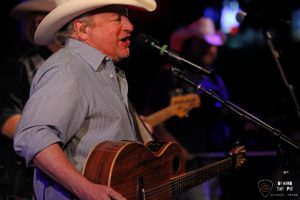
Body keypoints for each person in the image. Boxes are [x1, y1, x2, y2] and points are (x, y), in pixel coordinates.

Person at [13, 0, 157, 199]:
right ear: (82, 29)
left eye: (127, 18)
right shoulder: (68, 67)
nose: (130, 26)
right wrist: (86, 189)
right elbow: (33, 135)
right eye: (117, 19)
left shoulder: (102, 73)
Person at [143, 16, 235, 200]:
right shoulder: (169, 74)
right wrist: (174, 148)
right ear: (189, 44)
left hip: (213, 160)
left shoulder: (215, 78)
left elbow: (227, 114)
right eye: (203, 44)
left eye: (213, 45)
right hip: (184, 165)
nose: (211, 49)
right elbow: (150, 116)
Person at [0, 0, 60, 198]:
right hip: (26, 182)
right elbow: (7, 119)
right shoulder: (19, 63)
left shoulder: (79, 63)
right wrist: (60, 148)